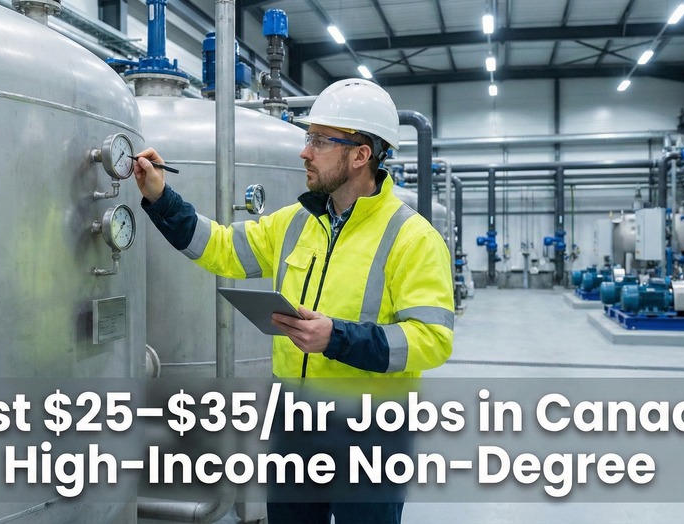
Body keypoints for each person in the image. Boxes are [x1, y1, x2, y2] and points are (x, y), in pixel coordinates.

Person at [133, 78, 454, 523]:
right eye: (308, 137)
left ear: (361, 155)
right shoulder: (295, 222)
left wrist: (336, 337)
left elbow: (432, 338)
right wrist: (161, 197)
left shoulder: (413, 237)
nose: (305, 151)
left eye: (320, 141)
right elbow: (221, 248)